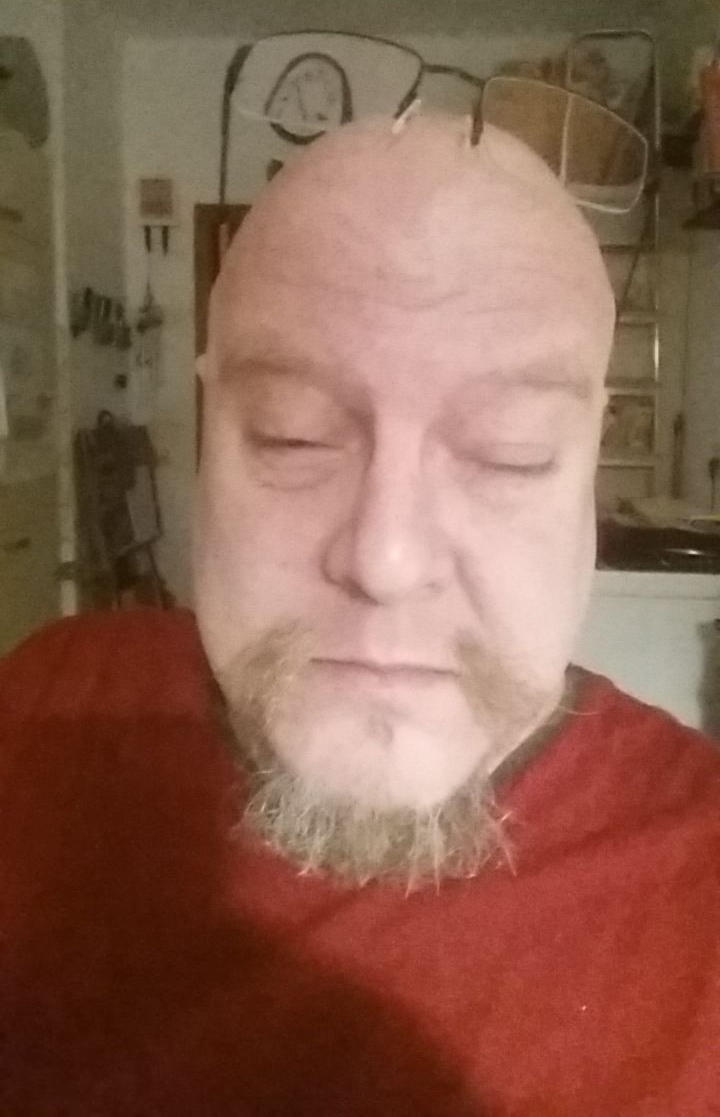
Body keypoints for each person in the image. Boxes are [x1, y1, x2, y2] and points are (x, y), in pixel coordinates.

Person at [1, 111, 718, 1117]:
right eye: (292, 436)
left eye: (509, 451)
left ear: (591, 458)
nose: (385, 560)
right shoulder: (43, 717)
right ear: (206, 425)